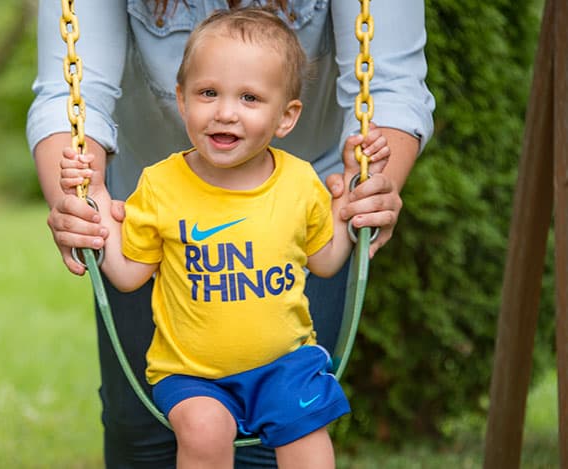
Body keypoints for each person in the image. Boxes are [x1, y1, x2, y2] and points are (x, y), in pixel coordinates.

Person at [27, 0, 435, 466]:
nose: (225, 113)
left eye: (249, 99)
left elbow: (324, 260)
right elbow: (126, 273)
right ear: (181, 99)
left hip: (283, 363)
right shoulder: (159, 189)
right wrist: (91, 200)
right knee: (190, 431)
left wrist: (353, 204)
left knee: (308, 445)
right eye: (207, 94)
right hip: (192, 372)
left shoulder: (302, 184)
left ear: (287, 116)